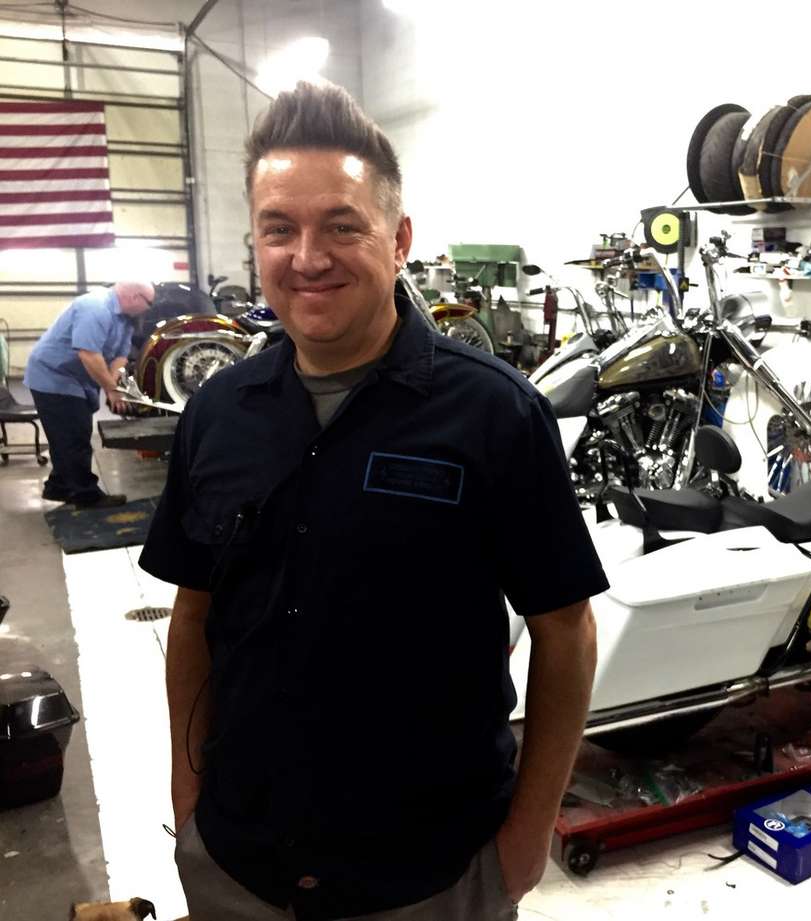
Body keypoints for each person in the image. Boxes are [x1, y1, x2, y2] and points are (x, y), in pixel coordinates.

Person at [139, 81, 606, 921]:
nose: (307, 256)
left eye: (341, 225)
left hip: (432, 871)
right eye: (279, 228)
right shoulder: (216, 411)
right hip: (238, 861)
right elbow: (191, 614)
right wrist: (188, 792)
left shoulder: (496, 414)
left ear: (399, 240)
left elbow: (565, 628)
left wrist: (528, 832)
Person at [24, 281, 154, 507]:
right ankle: (87, 496)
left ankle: (58, 487)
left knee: (68, 435)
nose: (149, 308)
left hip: (78, 379)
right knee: (74, 437)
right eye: (149, 303)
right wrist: (110, 390)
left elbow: (120, 356)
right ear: (134, 296)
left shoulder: (126, 319)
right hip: (54, 376)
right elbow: (89, 355)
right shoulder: (95, 307)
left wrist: (116, 388)